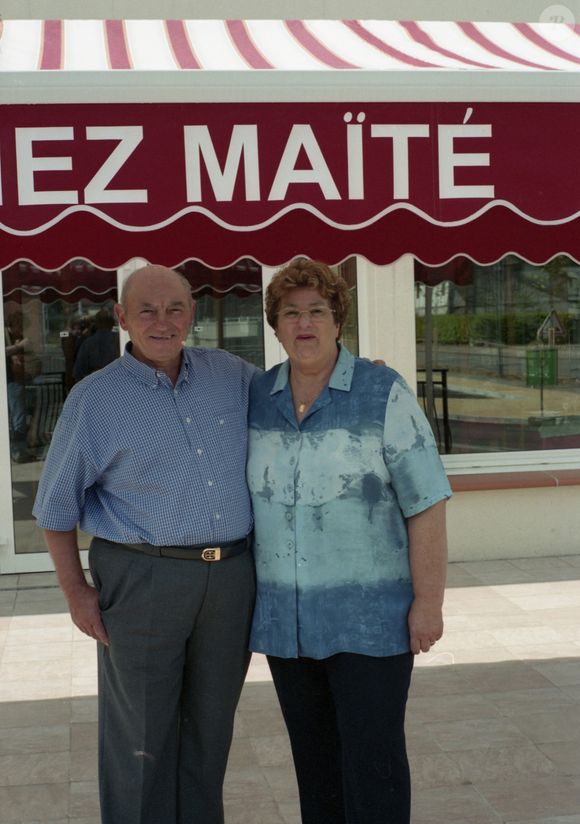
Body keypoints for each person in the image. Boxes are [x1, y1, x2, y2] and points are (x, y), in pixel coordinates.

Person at [33, 265, 257, 824]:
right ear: (122, 318)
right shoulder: (95, 399)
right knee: (141, 739)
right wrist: (75, 592)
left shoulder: (232, 375)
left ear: (192, 314)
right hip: (143, 579)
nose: (163, 322)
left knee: (211, 729)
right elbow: (55, 509)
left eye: (175, 308)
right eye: (148, 311)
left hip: (231, 579)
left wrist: (362, 377)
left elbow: (300, 392)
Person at [246, 259, 451, 824]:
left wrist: (428, 604)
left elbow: (427, 502)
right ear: (276, 325)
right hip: (288, 626)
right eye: (291, 312)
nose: (304, 322)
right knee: (315, 766)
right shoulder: (256, 396)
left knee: (373, 763)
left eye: (317, 310)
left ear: (338, 320)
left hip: (372, 623)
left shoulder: (381, 391)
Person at [72, 308, 119, 381]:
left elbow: (78, 373)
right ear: (112, 323)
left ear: (96, 324)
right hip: (117, 383)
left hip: (93, 384)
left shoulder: (87, 343)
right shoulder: (119, 341)